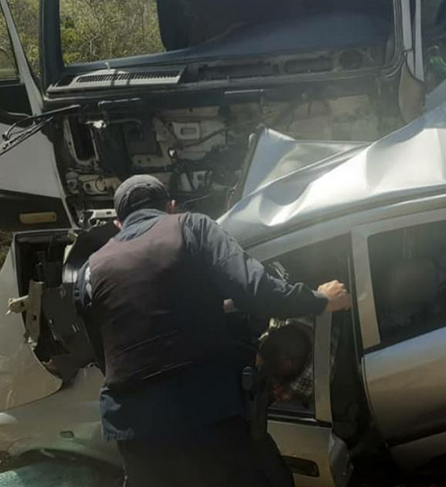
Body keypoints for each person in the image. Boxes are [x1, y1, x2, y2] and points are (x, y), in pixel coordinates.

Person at [74, 175, 351, 487]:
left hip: (135, 433)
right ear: (170, 206)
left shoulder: (89, 270)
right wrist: (319, 300)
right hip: (206, 417)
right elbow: (256, 291)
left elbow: (103, 353)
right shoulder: (192, 227)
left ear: (118, 223)